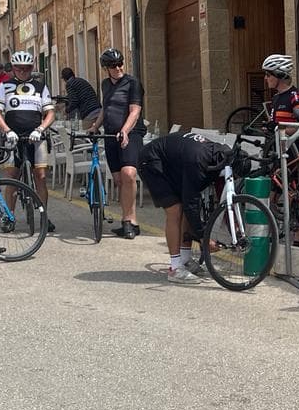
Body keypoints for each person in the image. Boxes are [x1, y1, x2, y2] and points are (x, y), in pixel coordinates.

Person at [138, 130, 234, 283]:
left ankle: (185, 259)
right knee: (175, 209)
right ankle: (175, 268)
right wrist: (203, 237)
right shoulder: (199, 160)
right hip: (151, 161)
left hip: (172, 159)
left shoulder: (214, 152)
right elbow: (191, 203)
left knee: (186, 205)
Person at [0, 56, 57, 229]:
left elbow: (50, 113)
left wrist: (41, 129)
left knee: (41, 177)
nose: (22, 72)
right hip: (13, 137)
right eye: (19, 69)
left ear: (31, 67)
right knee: (12, 176)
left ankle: (44, 216)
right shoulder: (5, 86)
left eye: (26, 69)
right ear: (13, 68)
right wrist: (7, 131)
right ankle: (9, 217)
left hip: (36, 136)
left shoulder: (40, 87)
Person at [99, 47, 144, 238]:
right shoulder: (105, 84)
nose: (117, 68)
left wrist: (125, 131)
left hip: (130, 134)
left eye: (120, 63)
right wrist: (95, 126)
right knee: (118, 180)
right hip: (110, 135)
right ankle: (129, 220)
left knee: (129, 174)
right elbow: (105, 108)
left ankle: (128, 221)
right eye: (112, 65)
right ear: (106, 68)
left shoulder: (133, 83)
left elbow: (135, 110)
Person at [262, 54, 299, 122]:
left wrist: (278, 128)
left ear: (279, 75)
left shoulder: (296, 97)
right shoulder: (275, 97)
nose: (265, 78)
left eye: (268, 75)